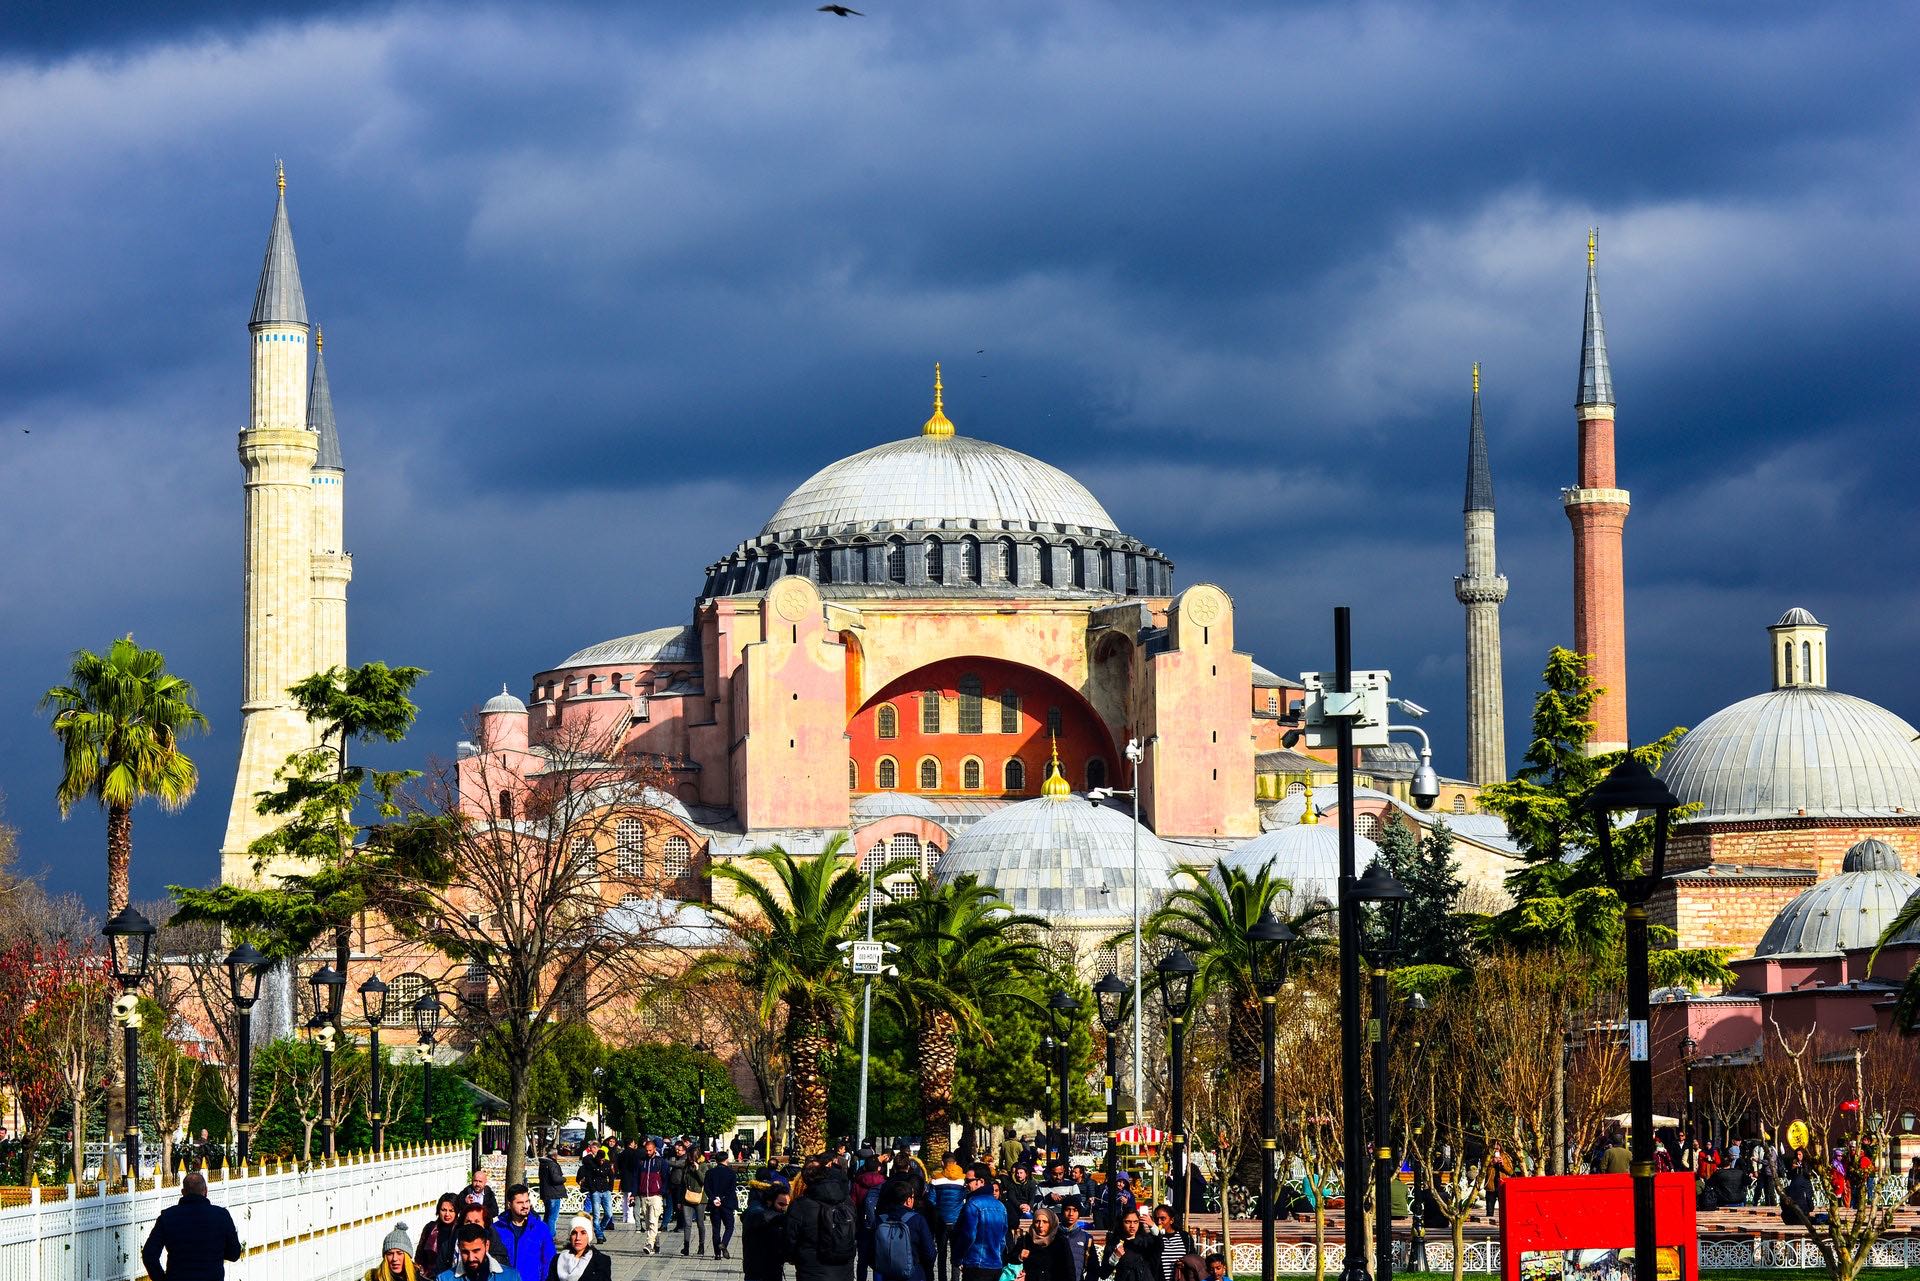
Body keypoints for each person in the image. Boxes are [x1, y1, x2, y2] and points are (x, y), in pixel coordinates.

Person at [141, 1172, 244, 1281]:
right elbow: (234, 1254)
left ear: (183, 1192)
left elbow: (149, 1255)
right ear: (206, 1191)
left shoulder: (167, 1217)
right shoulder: (221, 1215)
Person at [787, 1156, 860, 1281]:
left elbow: (790, 1239)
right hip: (844, 1270)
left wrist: (793, 1257)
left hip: (812, 1270)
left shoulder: (800, 1206)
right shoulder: (846, 1201)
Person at [872, 1179, 938, 1281]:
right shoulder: (917, 1220)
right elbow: (929, 1253)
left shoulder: (879, 1220)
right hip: (913, 1273)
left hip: (886, 1275)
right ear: (908, 1200)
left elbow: (870, 1252)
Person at [951, 1164, 1008, 1281]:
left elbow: (968, 1235)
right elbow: (1002, 1239)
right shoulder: (1000, 1206)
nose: (966, 1184)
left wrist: (958, 1257)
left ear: (981, 1181)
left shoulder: (973, 1204)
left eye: (969, 1180)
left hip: (976, 1264)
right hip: (995, 1264)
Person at [496, 1184, 557, 1281]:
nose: (525, 1206)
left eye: (527, 1201)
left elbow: (549, 1261)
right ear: (510, 1205)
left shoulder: (541, 1229)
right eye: (520, 1202)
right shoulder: (497, 1229)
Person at [743, 1186, 794, 1281]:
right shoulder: (756, 1210)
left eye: (787, 1205)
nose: (784, 1208)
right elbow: (759, 1216)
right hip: (756, 1269)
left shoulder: (775, 1216)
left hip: (774, 1267)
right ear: (770, 1201)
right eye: (781, 1204)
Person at [1009, 1207, 1074, 1281]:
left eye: (1045, 1222)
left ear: (1051, 1223)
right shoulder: (1026, 1240)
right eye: (1037, 1221)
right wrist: (1019, 1257)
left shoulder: (1060, 1242)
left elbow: (1069, 1270)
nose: (1040, 1225)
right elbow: (1011, 1260)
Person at [439, 1225, 522, 1281]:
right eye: (465, 1252)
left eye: (476, 1251)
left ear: (487, 1245)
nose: (471, 1258)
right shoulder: (444, 1279)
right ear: (459, 1248)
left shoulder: (511, 1277)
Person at [1097, 1210, 1156, 1281]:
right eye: (1128, 1222)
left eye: (1135, 1222)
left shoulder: (1146, 1241)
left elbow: (1160, 1246)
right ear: (1121, 1223)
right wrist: (1115, 1257)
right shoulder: (1114, 1243)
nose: (1132, 1226)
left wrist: (1153, 1226)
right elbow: (1104, 1274)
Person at [547, 1216, 611, 1281]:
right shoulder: (558, 1259)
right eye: (574, 1233)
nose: (578, 1238)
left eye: (583, 1233)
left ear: (589, 1236)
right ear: (570, 1236)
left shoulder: (601, 1261)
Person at [417, 1195, 463, 1278]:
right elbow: (420, 1255)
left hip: (453, 1276)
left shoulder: (461, 1230)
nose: (447, 1214)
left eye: (451, 1211)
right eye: (443, 1210)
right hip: (430, 1275)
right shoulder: (430, 1228)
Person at [579, 1142, 616, 1244]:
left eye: (603, 1160)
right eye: (600, 1160)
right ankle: (599, 1236)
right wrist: (593, 1190)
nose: (601, 1161)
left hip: (605, 1190)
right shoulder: (591, 1162)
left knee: (608, 1214)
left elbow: (611, 1176)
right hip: (595, 1191)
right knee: (596, 1216)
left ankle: (600, 1231)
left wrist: (610, 1188)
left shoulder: (607, 1163)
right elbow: (589, 1177)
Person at [710, 1148, 741, 1261]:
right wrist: (722, 1198)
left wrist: (714, 1198)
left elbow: (707, 1188)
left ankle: (717, 1254)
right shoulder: (731, 1173)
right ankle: (724, 1243)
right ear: (726, 1160)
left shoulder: (710, 1172)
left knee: (716, 1229)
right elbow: (731, 1189)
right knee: (729, 1226)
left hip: (714, 1204)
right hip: (727, 1203)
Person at [1146, 1207, 1193, 1281]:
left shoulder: (1185, 1237)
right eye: (1156, 1219)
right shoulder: (1151, 1238)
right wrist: (1155, 1232)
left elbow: (1192, 1257)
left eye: (1163, 1219)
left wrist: (1185, 1264)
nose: (1159, 1222)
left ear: (1171, 1220)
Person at [683, 1148, 712, 1256]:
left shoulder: (705, 1165)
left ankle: (701, 1246)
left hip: (701, 1199)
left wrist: (697, 1170)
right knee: (687, 1223)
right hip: (687, 1198)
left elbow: (704, 1181)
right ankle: (686, 1247)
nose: (690, 1159)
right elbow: (683, 1182)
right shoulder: (687, 1165)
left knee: (700, 1223)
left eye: (691, 1157)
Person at [537, 1148, 569, 1238]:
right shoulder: (552, 1164)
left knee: (547, 1216)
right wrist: (564, 1179)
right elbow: (555, 1179)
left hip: (546, 1193)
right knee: (552, 1217)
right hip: (554, 1193)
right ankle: (550, 1237)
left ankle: (543, 1235)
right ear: (554, 1155)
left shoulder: (543, 1163)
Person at [1058, 1201, 1094, 1281]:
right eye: (1068, 1209)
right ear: (1062, 1212)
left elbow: (1093, 1267)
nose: (1071, 1214)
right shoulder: (1053, 1236)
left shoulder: (1086, 1238)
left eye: (1075, 1210)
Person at [1482, 1142, 1512, 1220]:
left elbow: (1510, 1171)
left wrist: (1503, 1165)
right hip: (1490, 1186)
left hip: (1502, 1186)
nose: (1496, 1147)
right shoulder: (1487, 1157)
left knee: (1504, 1208)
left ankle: (1504, 1223)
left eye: (1498, 1145)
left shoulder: (1505, 1156)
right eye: (1494, 1145)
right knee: (1489, 1210)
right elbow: (1483, 1169)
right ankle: (1488, 1228)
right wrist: (1492, 1163)